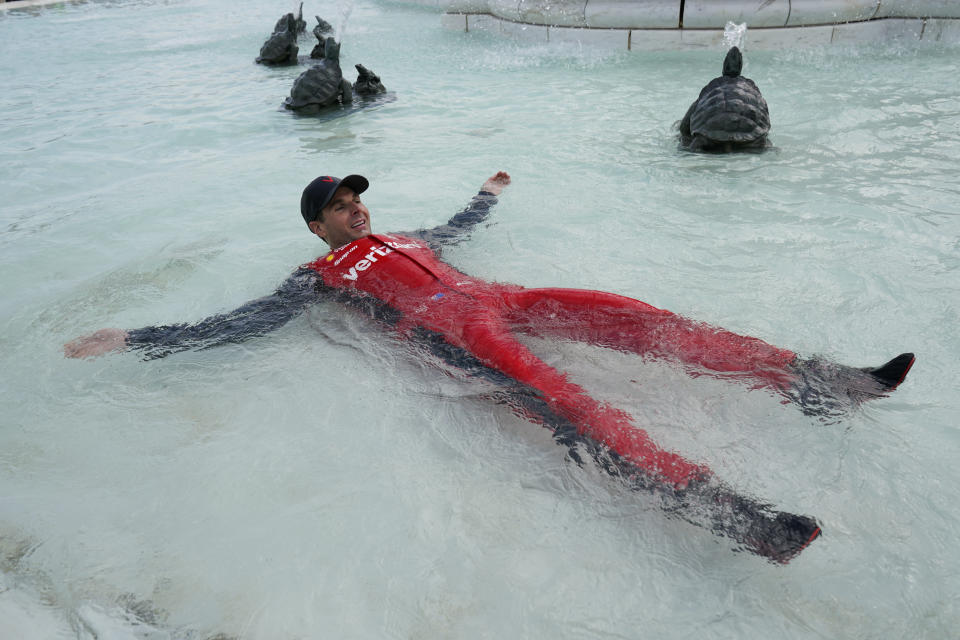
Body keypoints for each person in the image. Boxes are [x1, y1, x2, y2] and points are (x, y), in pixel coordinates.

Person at [65, 171, 914, 563]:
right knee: (568, 403)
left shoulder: (404, 237)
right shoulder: (319, 276)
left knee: (643, 319)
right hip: (459, 336)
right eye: (336, 204)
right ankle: (731, 515)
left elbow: (457, 229)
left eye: (357, 197)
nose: (354, 207)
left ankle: (817, 382)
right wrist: (140, 339)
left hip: (502, 296)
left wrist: (487, 197)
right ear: (316, 226)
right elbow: (240, 323)